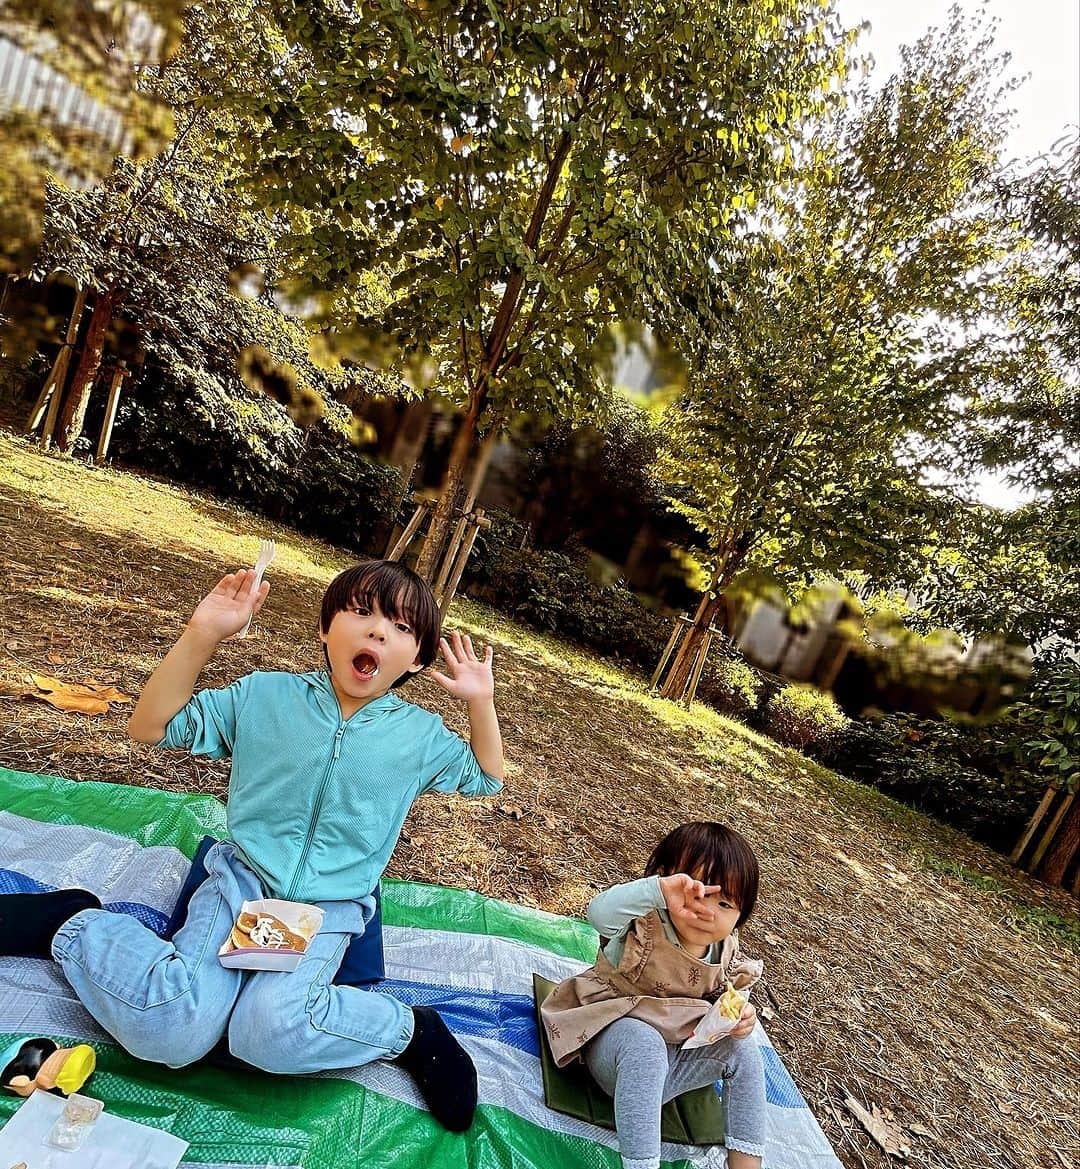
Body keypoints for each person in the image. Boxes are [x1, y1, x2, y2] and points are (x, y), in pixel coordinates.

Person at [0, 559, 503, 1132]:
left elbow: (487, 777)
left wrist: (479, 702)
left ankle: (412, 1032)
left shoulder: (419, 738)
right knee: (170, 1029)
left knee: (268, 1036)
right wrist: (202, 633)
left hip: (328, 909)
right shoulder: (264, 696)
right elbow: (151, 726)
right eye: (361, 613)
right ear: (324, 628)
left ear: (415, 659)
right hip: (240, 882)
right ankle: (71, 922)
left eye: (401, 627)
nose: (377, 632)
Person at [541, 822, 766, 1169]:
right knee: (644, 1043)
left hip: (672, 1067)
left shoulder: (726, 952)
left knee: (744, 1047)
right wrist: (656, 892)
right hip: (615, 1050)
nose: (708, 911)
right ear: (667, 880)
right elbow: (597, 914)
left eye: (724, 903)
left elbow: (724, 1000)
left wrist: (738, 1018)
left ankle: (746, 1163)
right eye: (698, 893)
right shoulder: (642, 926)